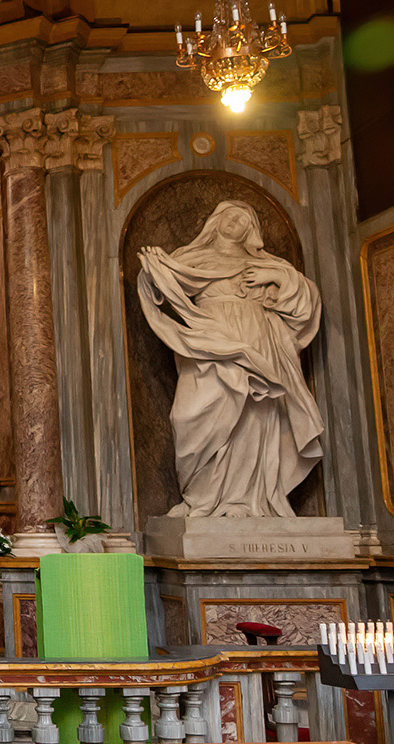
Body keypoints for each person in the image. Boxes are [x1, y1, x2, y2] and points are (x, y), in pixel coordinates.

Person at [136, 200, 324, 517]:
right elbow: (157, 286)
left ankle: (251, 500)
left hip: (257, 338)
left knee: (255, 414)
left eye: (243, 218)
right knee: (190, 414)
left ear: (251, 230)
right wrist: (153, 268)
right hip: (209, 339)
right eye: (229, 214)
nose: (234, 221)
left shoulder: (268, 264)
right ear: (215, 220)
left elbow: (308, 301)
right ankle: (202, 497)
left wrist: (275, 277)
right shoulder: (189, 258)